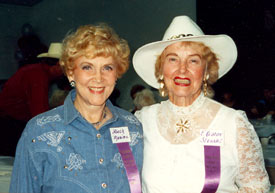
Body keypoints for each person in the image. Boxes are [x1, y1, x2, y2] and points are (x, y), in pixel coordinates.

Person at [133, 16, 270, 192]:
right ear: (161, 70)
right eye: (173, 59)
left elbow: (256, 187)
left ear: (206, 71)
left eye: (193, 60)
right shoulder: (142, 121)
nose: (182, 69)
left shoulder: (233, 123)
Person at [10, 23, 143, 193]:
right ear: (71, 73)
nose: (98, 78)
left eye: (107, 68)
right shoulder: (39, 131)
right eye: (87, 67)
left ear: (117, 73)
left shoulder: (132, 127)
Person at [0, 42, 64, 156]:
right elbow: (39, 114)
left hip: (11, 121)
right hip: (9, 124)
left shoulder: (38, 71)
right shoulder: (38, 77)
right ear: (59, 64)